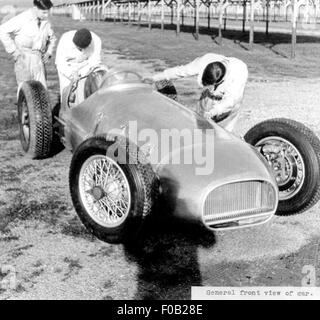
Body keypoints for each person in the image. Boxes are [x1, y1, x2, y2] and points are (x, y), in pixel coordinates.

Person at [146, 53, 248, 132]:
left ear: (218, 82)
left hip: (229, 105)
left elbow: (231, 101)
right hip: (209, 96)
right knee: (199, 127)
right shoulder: (206, 60)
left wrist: (214, 111)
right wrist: (155, 78)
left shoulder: (238, 73)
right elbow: (182, 71)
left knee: (222, 134)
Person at [0, 0, 56, 90]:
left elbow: (52, 38)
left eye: (47, 12)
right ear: (35, 8)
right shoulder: (22, 18)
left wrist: (49, 52)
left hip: (39, 58)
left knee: (42, 90)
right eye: (44, 12)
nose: (46, 15)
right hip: (24, 58)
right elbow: (2, 30)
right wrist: (14, 51)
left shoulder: (46, 22)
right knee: (25, 90)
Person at [55, 28, 102, 96]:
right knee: (68, 95)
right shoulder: (65, 39)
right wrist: (71, 74)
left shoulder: (96, 41)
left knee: (84, 94)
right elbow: (60, 62)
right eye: (79, 48)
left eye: (83, 49)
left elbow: (94, 62)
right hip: (68, 68)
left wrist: (82, 74)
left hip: (85, 67)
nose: (81, 51)